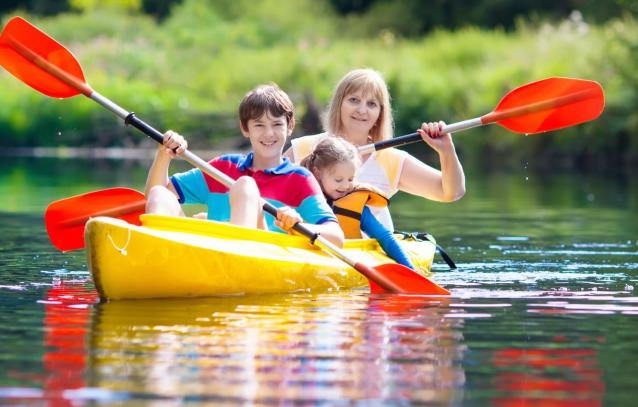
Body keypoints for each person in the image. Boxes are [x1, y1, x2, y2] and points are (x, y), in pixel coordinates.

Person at [145, 83, 344, 246]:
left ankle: (234, 253)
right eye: (259, 125)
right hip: (207, 257)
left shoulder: (300, 179)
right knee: (159, 194)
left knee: (245, 186)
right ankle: (160, 258)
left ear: (290, 126)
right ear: (245, 128)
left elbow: (336, 237)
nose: (268, 134)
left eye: (277, 125)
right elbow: (154, 197)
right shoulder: (223, 167)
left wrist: (298, 224)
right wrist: (164, 155)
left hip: (258, 259)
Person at [285, 69, 465, 229]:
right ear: (339, 104)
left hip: (369, 252)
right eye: (354, 100)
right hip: (310, 243)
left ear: (380, 114)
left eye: (372, 104)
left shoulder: (391, 160)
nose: (362, 110)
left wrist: (446, 151)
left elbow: (451, 192)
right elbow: (263, 183)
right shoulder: (305, 148)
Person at [301, 136, 416, 269]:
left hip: (345, 261)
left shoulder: (355, 205)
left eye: (350, 179)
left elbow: (384, 237)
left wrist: (410, 269)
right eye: (338, 180)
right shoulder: (301, 197)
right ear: (317, 173)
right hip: (305, 255)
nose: (345, 186)